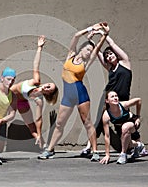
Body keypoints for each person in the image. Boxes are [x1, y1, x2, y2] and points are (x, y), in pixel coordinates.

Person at [38, 22, 109, 161]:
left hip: (81, 94)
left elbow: (97, 49)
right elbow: (76, 36)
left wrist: (104, 34)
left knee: (87, 123)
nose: (89, 52)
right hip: (68, 96)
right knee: (59, 124)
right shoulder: (70, 55)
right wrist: (90, 29)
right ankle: (50, 149)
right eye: (87, 49)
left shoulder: (85, 64)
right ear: (81, 49)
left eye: (90, 51)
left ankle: (95, 151)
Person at [81, 32, 148, 157]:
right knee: (99, 122)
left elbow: (112, 44)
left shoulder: (125, 62)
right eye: (107, 55)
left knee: (127, 122)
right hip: (109, 99)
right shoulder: (109, 68)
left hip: (122, 100)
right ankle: (90, 146)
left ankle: (139, 145)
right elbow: (97, 52)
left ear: (116, 55)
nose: (109, 56)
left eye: (111, 53)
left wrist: (103, 33)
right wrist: (91, 40)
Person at [10, 35, 59, 149]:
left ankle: (42, 145)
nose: (46, 86)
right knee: (0, 119)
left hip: (20, 102)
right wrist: (39, 48)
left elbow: (39, 119)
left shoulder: (39, 100)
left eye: (48, 89)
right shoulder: (36, 81)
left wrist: (39, 134)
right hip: (8, 97)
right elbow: (36, 65)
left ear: (47, 94)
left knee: (31, 126)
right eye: (48, 84)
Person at [99, 91, 144, 165]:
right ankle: (138, 145)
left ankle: (123, 154)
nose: (115, 98)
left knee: (125, 127)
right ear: (107, 101)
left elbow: (138, 100)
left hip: (132, 123)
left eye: (116, 96)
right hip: (121, 129)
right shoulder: (106, 115)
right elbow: (107, 136)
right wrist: (107, 155)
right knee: (127, 143)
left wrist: (138, 117)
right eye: (112, 97)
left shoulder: (123, 105)